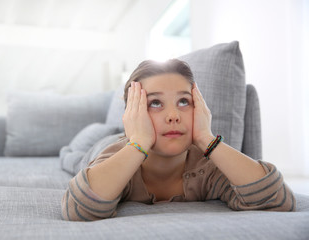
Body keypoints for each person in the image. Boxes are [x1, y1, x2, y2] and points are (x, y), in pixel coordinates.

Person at [61, 59, 296, 221]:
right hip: (109, 143)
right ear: (134, 113)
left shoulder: (208, 169)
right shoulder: (114, 154)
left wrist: (206, 138)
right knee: (71, 156)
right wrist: (138, 142)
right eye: (155, 103)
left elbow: (278, 200)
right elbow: (78, 208)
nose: (173, 116)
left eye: (184, 102)